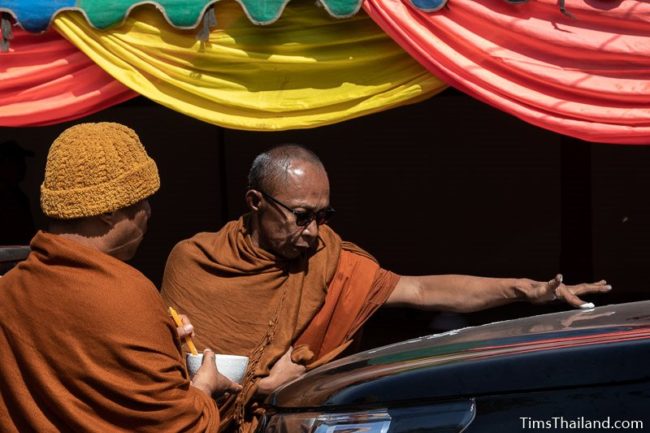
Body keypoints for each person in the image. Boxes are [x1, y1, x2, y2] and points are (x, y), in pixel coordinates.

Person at [160, 144, 611, 433]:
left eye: (324, 216)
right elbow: (167, 366)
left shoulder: (331, 263)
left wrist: (528, 290)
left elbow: (421, 291)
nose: (315, 232)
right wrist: (260, 384)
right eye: (302, 216)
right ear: (256, 203)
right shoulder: (196, 260)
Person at [0, 123, 240, 433]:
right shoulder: (128, 294)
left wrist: (159, 341)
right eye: (142, 201)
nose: (149, 212)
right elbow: (180, 425)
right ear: (108, 212)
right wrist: (204, 387)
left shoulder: (8, 291)